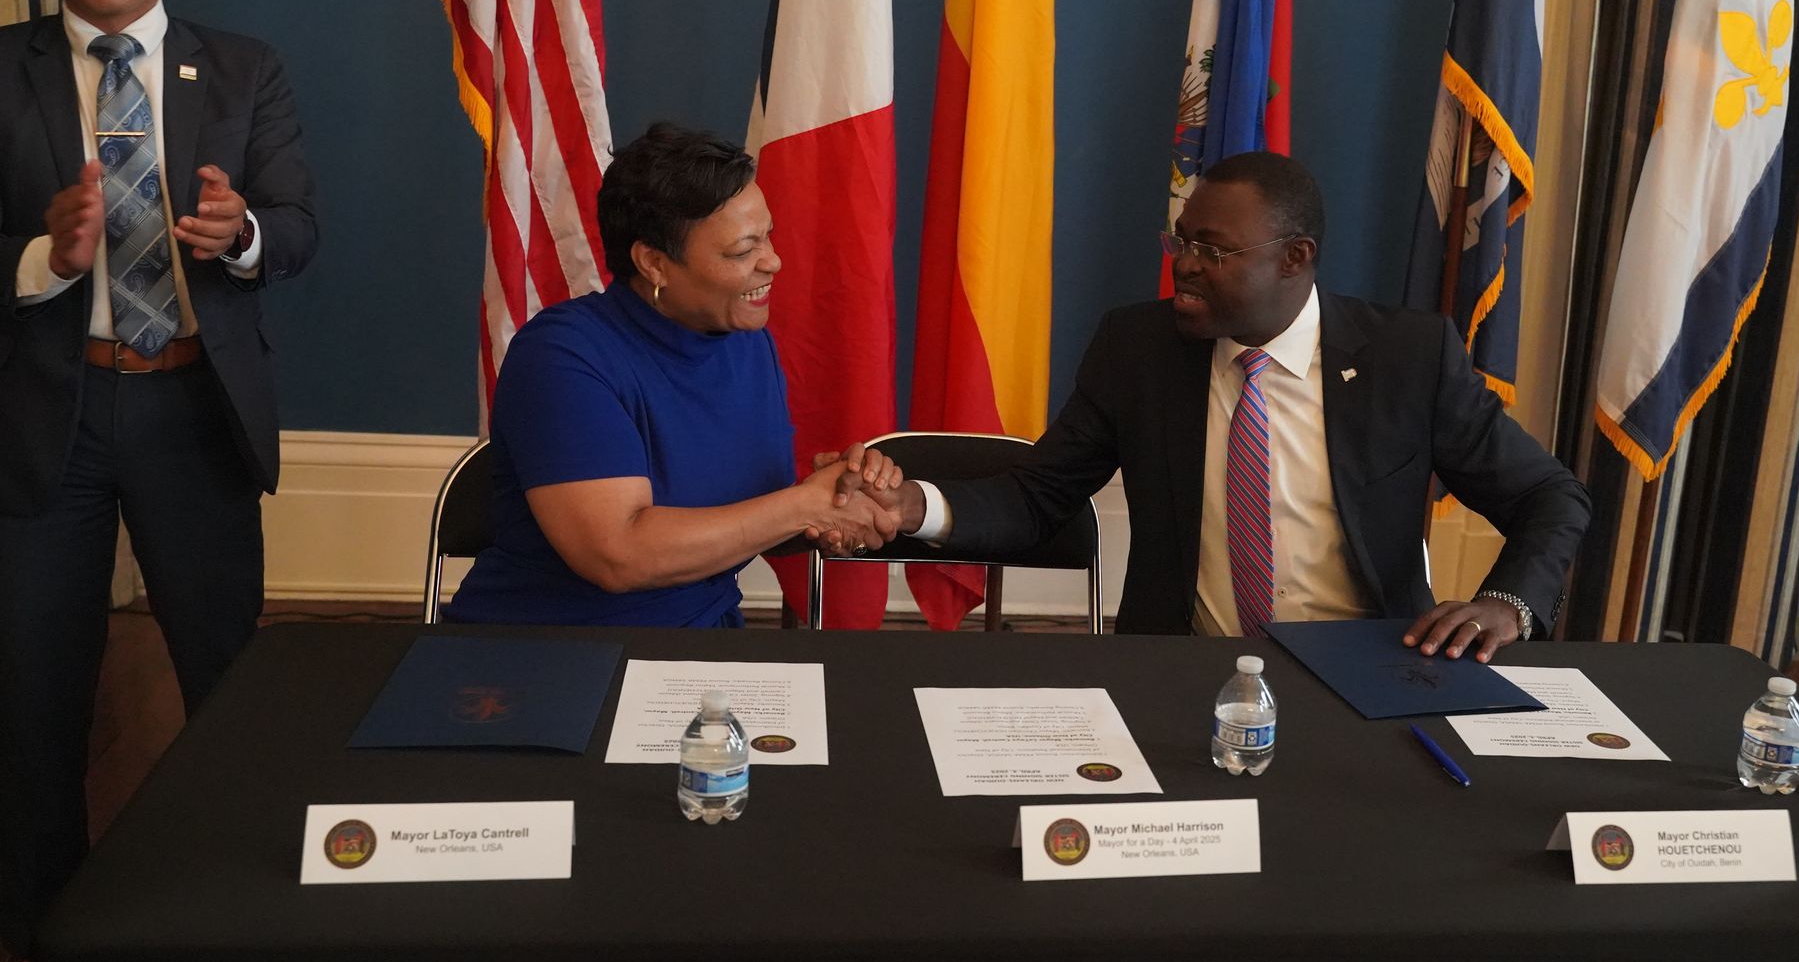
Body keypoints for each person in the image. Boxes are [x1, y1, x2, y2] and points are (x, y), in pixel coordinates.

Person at [0, 0, 317, 962]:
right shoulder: (6, 70)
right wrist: (46, 253)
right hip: (48, 415)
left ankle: (249, 918)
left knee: (227, 677)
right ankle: (42, 939)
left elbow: (297, 227)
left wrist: (242, 236)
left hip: (193, 411)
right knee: (35, 691)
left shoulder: (242, 70)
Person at [868, 151, 1590, 655]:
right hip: (1183, 668)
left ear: (1294, 257)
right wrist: (912, 507)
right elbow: (1037, 497)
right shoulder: (1138, 348)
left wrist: (1507, 604)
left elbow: (1550, 497)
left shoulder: (1408, 358)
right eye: (1181, 241)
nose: (1183, 265)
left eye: (1213, 252)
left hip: (1368, 667)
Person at [446, 123, 898, 628]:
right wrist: (803, 506)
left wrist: (838, 500)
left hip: (698, 642)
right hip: (551, 644)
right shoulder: (562, 357)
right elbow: (617, 556)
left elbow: (739, 519)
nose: (773, 261)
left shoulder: (747, 343)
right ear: (654, 263)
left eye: (768, 235)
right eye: (742, 250)